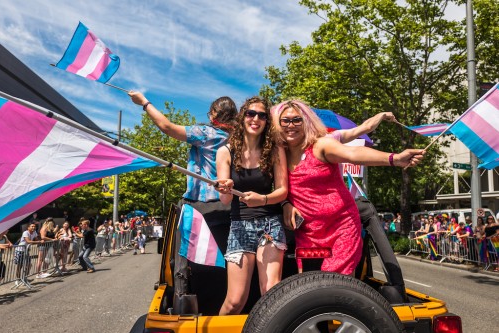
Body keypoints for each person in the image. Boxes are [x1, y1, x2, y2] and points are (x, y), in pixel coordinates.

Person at [271, 100, 424, 274]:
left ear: (306, 122)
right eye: (285, 120)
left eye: (297, 120)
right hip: (308, 233)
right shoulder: (279, 153)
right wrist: (285, 204)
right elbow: (278, 187)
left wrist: (394, 159)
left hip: (340, 228)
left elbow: (353, 153)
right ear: (278, 124)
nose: (291, 125)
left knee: (333, 285)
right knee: (310, 288)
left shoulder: (322, 144)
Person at [129, 90, 238, 314]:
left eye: (211, 112)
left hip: (202, 207)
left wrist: (145, 103)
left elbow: (168, 128)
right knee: (227, 263)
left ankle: (190, 307)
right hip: (230, 205)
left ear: (215, 114)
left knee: (192, 263)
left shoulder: (207, 133)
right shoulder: (239, 138)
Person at [215, 96, 288, 315]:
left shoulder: (274, 150)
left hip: (270, 226)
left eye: (262, 115)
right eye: (251, 114)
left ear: (267, 121)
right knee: (235, 301)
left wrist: (262, 199)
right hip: (240, 226)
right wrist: (225, 188)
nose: (256, 119)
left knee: (271, 294)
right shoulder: (225, 152)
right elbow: (225, 200)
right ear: (243, 117)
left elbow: (283, 190)